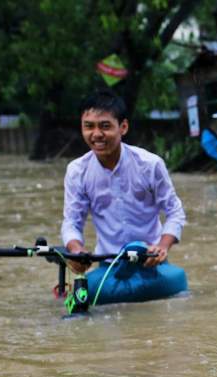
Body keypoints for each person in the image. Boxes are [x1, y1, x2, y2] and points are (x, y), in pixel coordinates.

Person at [61, 90, 187, 304]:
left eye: (105, 126)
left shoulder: (150, 164)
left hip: (151, 263)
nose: (96, 134)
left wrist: (162, 247)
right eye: (89, 126)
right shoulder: (77, 171)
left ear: (123, 127)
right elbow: (72, 222)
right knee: (79, 301)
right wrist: (76, 251)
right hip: (108, 266)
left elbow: (175, 212)